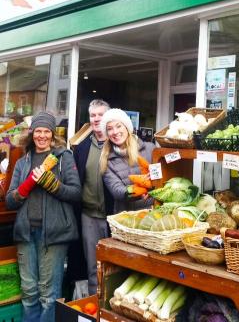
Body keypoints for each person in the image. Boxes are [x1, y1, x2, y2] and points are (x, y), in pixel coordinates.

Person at [6, 111, 81, 322]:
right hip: (26, 233)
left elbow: (76, 193)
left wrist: (52, 184)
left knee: (48, 295)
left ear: (52, 134)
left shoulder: (63, 158)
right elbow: (10, 201)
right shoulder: (23, 162)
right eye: (37, 131)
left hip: (54, 234)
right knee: (29, 293)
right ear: (32, 134)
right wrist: (24, 188)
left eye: (46, 131)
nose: (41, 136)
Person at [72, 99, 113, 296]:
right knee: (92, 266)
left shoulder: (117, 145)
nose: (96, 119)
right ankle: (92, 306)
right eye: (93, 115)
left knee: (115, 265)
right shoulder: (81, 148)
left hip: (114, 216)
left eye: (101, 115)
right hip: (89, 216)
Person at [99, 108, 155, 212]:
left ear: (127, 127)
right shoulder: (106, 159)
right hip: (126, 216)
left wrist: (154, 179)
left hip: (153, 212)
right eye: (110, 129)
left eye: (119, 126)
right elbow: (117, 190)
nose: (115, 132)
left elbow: (163, 177)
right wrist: (139, 190)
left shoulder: (150, 149)